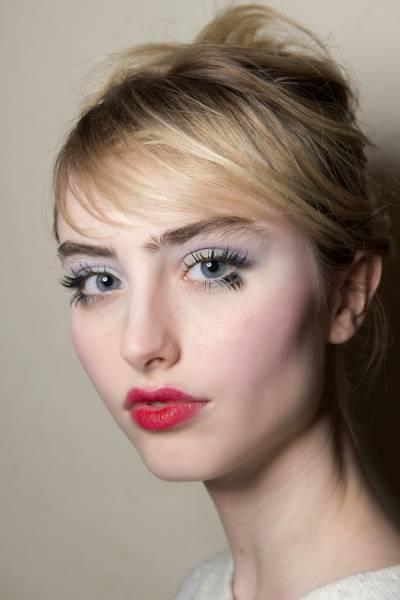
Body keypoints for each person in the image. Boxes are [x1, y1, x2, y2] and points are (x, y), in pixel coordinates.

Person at [52, 3, 400, 599]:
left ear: (348, 295)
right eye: (99, 280)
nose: (139, 344)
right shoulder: (206, 587)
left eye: (211, 266)